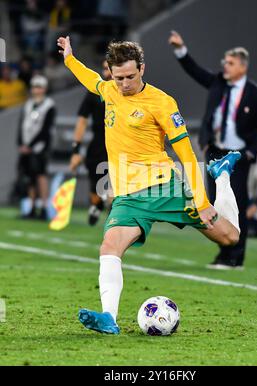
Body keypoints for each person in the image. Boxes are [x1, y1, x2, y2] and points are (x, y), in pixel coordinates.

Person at [58, 36, 241, 335]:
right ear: (111, 72)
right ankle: (109, 318)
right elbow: (89, 79)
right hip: (128, 196)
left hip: (163, 188)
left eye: (131, 76)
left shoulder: (162, 102)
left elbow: (185, 153)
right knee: (109, 246)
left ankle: (221, 175)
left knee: (229, 238)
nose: (125, 83)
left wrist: (202, 200)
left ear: (142, 68)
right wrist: (69, 58)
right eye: (119, 78)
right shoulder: (109, 90)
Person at [169, 31, 257, 270]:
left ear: (243, 67)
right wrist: (181, 50)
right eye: (225, 62)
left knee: (237, 205)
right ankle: (224, 254)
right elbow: (195, 71)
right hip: (215, 151)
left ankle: (237, 257)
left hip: (238, 156)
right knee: (216, 204)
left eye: (230, 63)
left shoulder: (256, 93)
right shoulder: (218, 83)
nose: (225, 65)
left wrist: (251, 152)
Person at [69, 59, 111, 225]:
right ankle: (97, 203)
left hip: (120, 146)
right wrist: (75, 150)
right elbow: (82, 121)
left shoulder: (126, 94)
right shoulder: (94, 92)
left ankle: (111, 209)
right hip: (98, 146)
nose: (107, 72)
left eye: (110, 68)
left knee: (113, 187)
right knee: (96, 185)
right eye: (104, 68)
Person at [17, 75, 56, 220]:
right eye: (34, 87)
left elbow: (45, 130)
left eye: (39, 87)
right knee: (29, 178)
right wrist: (21, 144)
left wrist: (30, 146)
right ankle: (32, 207)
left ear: (44, 89)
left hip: (40, 147)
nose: (36, 90)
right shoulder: (28, 104)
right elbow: (22, 126)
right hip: (27, 147)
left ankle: (44, 207)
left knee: (41, 176)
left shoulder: (49, 105)